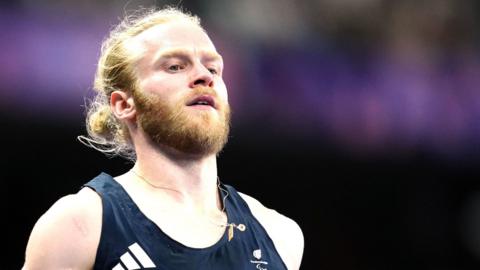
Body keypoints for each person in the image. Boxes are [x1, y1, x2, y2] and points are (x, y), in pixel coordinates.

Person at [22, 6, 304, 270]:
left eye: (213, 68)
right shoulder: (80, 225)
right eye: (174, 67)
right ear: (123, 104)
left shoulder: (279, 236)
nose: (204, 77)